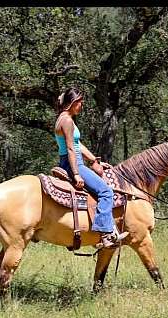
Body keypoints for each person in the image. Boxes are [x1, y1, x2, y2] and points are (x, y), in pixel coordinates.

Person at [54, 87, 129, 248]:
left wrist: (94, 160)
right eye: (80, 102)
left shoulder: (64, 118)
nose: (82, 105)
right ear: (72, 102)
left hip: (72, 160)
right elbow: (70, 149)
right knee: (106, 191)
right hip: (73, 163)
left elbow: (77, 144)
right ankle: (106, 234)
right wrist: (76, 174)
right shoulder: (67, 121)